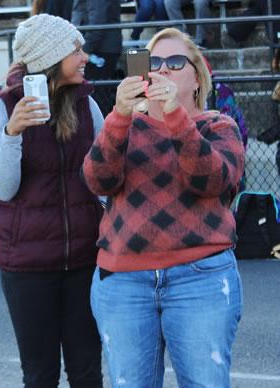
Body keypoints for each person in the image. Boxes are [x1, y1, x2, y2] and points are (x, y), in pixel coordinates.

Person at [83, 27, 245, 388]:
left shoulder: (218, 125)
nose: (163, 69)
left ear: (197, 78)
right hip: (124, 281)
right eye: (154, 62)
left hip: (200, 278)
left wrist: (174, 115)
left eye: (175, 62)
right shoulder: (125, 125)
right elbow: (97, 179)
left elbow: (213, 181)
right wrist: (120, 115)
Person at [0, 13, 104, 388]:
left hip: (85, 260)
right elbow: (3, 189)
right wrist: (12, 133)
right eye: (76, 50)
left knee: (87, 372)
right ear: (51, 57)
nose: (85, 57)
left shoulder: (88, 105)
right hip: (28, 267)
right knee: (39, 374)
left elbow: (104, 180)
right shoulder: (0, 108)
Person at [72, 0, 122, 80]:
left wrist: (85, 49)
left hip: (100, 49)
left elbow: (97, 21)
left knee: (98, 95)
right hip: (98, 48)